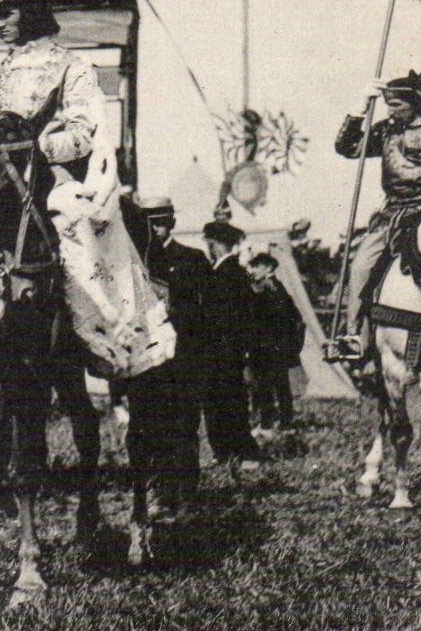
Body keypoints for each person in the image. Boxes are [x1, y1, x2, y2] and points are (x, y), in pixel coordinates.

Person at [0, 0, 170, 380]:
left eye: (8, 12)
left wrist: (37, 146)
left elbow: (85, 132)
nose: (0, 23)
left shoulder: (72, 68)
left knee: (76, 227)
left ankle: (102, 334)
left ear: (33, 11)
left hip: (52, 181)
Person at [331, 72, 421, 360]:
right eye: (387, 105)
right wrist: (360, 106)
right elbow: (347, 147)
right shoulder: (386, 132)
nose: (390, 111)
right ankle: (354, 335)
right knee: (360, 266)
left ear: (416, 104)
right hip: (392, 214)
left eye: (396, 105)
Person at [123, 195, 209, 498]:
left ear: (171, 222)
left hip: (183, 358)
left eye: (159, 222)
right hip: (146, 361)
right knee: (144, 427)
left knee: (184, 427)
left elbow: (207, 313)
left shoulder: (192, 258)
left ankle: (186, 495)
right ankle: (153, 492)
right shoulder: (131, 264)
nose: (154, 230)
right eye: (147, 223)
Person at [198, 220, 261, 468]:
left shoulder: (229, 273)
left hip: (225, 351)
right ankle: (224, 452)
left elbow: (237, 317)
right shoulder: (228, 272)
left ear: (213, 244)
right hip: (220, 351)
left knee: (231, 403)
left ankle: (247, 453)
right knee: (217, 403)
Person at [245, 251, 303, 431]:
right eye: (252, 266)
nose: (252, 270)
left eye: (257, 266)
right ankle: (284, 422)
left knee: (267, 386)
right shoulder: (272, 286)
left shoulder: (270, 287)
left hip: (269, 345)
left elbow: (282, 317)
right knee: (279, 385)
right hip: (274, 345)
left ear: (268, 268)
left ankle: (268, 423)